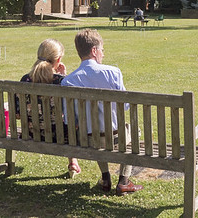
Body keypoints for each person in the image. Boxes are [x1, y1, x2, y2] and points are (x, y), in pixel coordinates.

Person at [61, 29, 144, 196]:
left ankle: (105, 177)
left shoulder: (68, 80)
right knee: (135, 132)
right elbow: (126, 106)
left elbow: (70, 119)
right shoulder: (112, 72)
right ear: (94, 50)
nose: (103, 54)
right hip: (115, 138)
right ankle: (124, 181)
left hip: (87, 139)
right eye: (102, 50)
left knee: (96, 129)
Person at [20, 39, 80, 177]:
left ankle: (73, 162)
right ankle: (73, 161)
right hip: (59, 135)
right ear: (58, 60)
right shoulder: (61, 81)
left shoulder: (25, 80)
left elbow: (18, 113)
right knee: (71, 123)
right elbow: (72, 110)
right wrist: (64, 76)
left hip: (31, 133)